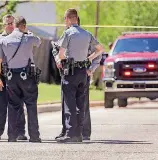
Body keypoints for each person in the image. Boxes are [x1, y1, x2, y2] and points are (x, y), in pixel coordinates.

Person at [55, 8, 104, 143]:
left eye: (65, 19)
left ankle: (71, 134)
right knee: (80, 103)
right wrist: (89, 58)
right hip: (83, 72)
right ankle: (79, 134)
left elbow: (60, 54)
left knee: (69, 102)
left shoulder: (68, 33)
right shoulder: (87, 34)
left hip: (70, 71)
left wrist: (62, 60)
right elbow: (101, 49)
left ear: (68, 18)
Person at [0, 16, 42, 142]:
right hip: (27, 76)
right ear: (24, 26)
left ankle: (12, 136)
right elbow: (39, 42)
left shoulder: (4, 40)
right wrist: (28, 32)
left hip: (10, 77)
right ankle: (34, 136)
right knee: (31, 105)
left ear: (14, 25)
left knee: (13, 105)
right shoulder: (29, 38)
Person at [0, 14, 27, 141]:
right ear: (4, 25)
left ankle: (20, 131)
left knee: (18, 104)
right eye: (9, 23)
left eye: (13, 23)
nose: (11, 26)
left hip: (17, 75)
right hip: (3, 75)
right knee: (0, 104)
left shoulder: (21, 37)